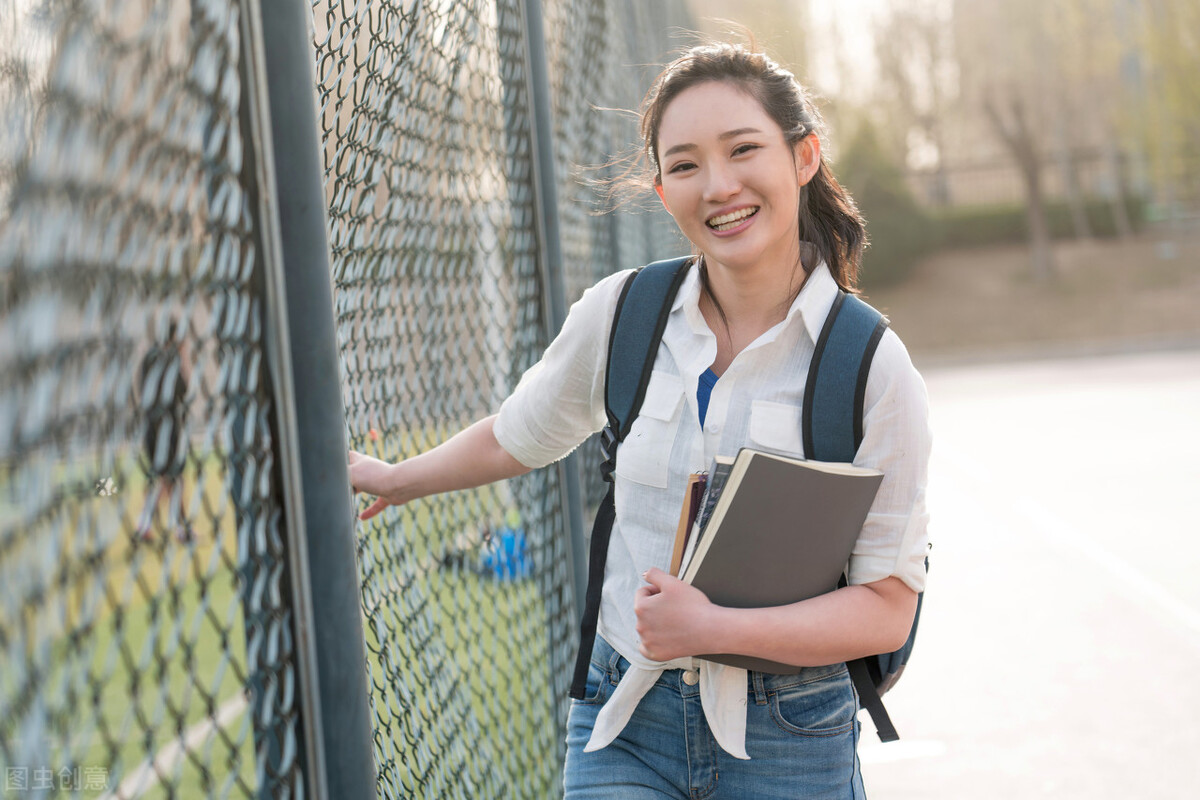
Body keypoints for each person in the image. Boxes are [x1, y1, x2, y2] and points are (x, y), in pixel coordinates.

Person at [349, 40, 931, 799]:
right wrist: (399, 475)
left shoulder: (872, 370)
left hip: (791, 737)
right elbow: (516, 432)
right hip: (623, 721)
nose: (718, 186)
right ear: (662, 192)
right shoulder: (624, 315)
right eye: (685, 165)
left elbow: (886, 609)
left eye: (743, 150)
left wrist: (716, 630)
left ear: (804, 157)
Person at [135, 316, 194, 543]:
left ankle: (150, 524)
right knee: (172, 477)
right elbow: (184, 388)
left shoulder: (148, 357)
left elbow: (142, 389)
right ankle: (173, 527)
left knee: (163, 477)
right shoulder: (171, 358)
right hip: (168, 425)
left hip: (150, 422)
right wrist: (184, 356)